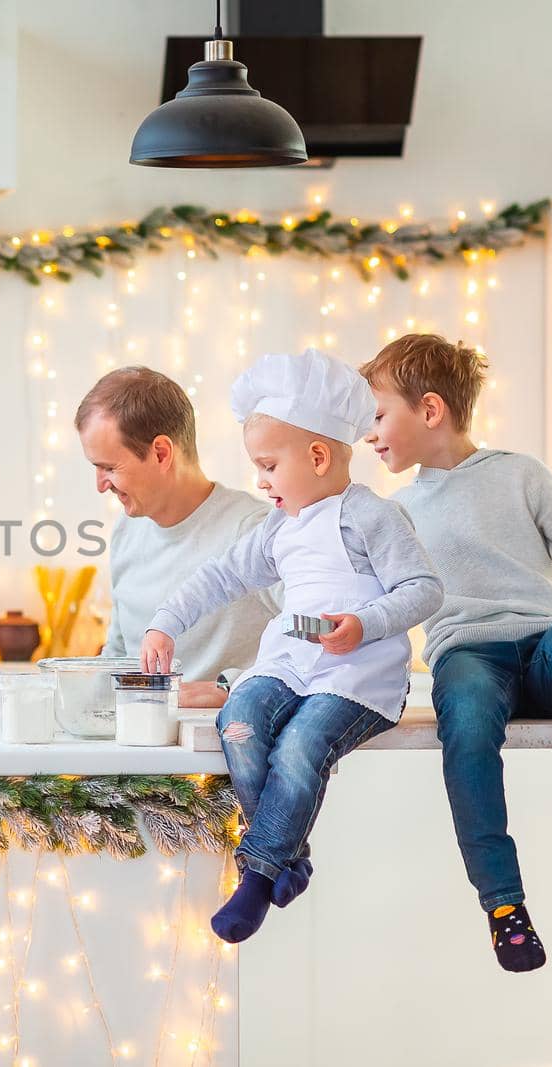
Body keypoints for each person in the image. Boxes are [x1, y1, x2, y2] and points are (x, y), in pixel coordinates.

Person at [139, 349, 443, 944]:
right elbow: (219, 576)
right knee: (240, 723)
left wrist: (364, 622)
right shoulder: (279, 528)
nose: (260, 481)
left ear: (319, 456)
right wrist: (165, 623)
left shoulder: (370, 517)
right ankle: (287, 856)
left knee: (302, 744)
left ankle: (256, 876)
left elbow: (424, 589)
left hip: (356, 672)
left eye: (269, 466)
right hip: (291, 658)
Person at [361, 334, 552, 973]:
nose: (369, 435)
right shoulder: (393, 514)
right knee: (463, 714)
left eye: (378, 416)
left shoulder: (521, 474)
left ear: (431, 411)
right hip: (467, 656)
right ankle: (504, 906)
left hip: (544, 645)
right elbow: (380, 608)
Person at [75, 366, 278, 707]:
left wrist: (234, 688)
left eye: (109, 468)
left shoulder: (254, 531)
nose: (100, 485)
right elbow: (120, 654)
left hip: (222, 752)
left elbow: (317, 637)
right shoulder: (127, 531)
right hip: (140, 751)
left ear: (161, 453)